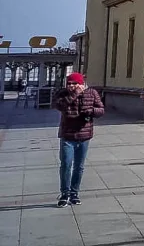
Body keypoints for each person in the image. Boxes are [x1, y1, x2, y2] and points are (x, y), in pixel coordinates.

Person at [52, 72, 104, 207]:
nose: (71, 86)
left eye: (74, 83)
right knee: (66, 165)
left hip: (84, 136)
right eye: (69, 83)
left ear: (81, 83)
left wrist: (91, 111)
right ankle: (64, 194)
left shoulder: (92, 93)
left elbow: (101, 110)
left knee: (79, 167)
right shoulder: (63, 94)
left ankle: (74, 193)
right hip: (67, 136)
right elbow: (59, 106)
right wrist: (74, 94)